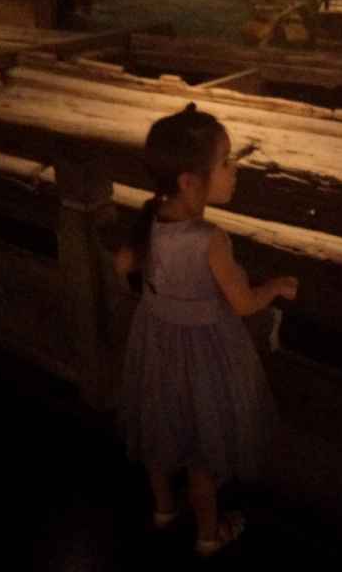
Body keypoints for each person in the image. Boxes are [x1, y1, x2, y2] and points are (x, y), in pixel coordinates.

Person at [114, 103, 298, 557]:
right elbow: (243, 303)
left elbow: (123, 265)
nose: (234, 171)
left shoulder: (152, 220)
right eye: (225, 162)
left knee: (158, 431)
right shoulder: (211, 239)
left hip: (156, 343)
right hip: (203, 353)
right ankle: (208, 535)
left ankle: (163, 511)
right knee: (202, 450)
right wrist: (275, 286)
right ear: (189, 181)